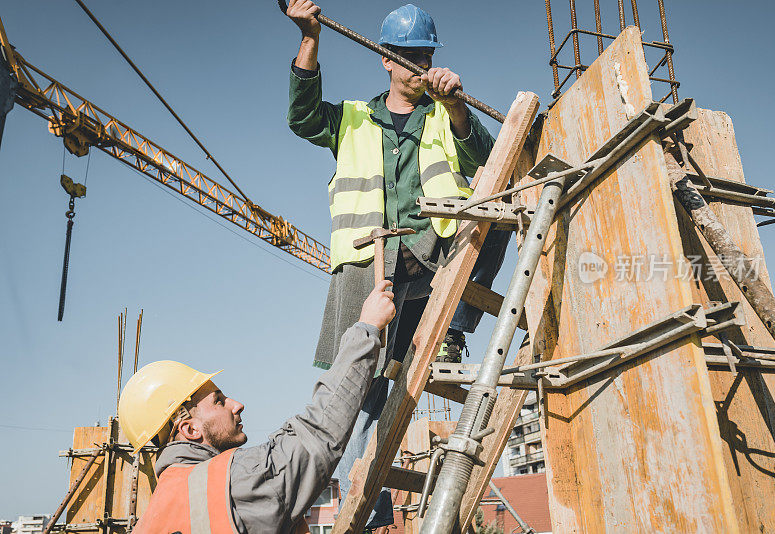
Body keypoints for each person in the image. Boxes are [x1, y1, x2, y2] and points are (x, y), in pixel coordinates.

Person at [284, 2, 510, 528]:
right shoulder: (354, 118)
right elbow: (302, 118)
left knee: (496, 217)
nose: (417, 64)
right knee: (366, 391)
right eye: (407, 56)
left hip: (434, 264)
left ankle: (454, 329)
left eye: (424, 55)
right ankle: (366, 509)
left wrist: (456, 107)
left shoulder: (443, 115)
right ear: (385, 60)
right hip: (371, 270)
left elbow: (490, 161)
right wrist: (310, 39)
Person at [118, 280, 396, 534]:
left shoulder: (151, 519)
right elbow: (318, 433)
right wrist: (366, 329)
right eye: (218, 400)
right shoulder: (228, 483)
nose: (237, 405)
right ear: (189, 428)